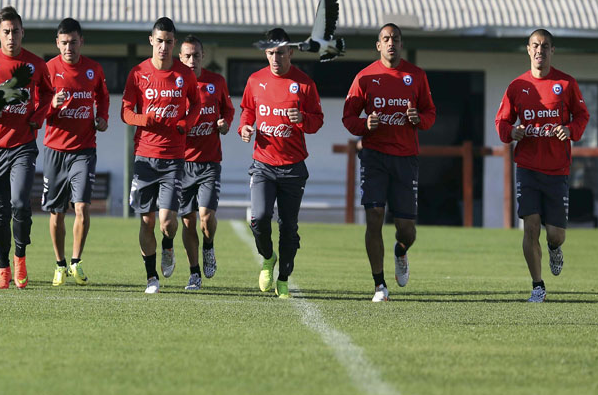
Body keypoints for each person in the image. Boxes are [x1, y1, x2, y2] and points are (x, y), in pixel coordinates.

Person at [342, 23, 436, 302]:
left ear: (401, 44)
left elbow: (430, 114)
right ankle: (379, 285)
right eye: (386, 39)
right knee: (374, 218)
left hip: (406, 160)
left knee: (407, 229)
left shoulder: (416, 76)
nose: (391, 42)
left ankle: (401, 250)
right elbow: (349, 118)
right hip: (374, 158)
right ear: (378, 45)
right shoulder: (365, 77)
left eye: (395, 38)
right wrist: (364, 124)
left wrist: (420, 118)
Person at [495, 29, 589, 303]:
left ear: (552, 50)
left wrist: (570, 130)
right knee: (531, 226)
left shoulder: (566, 84)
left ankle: (554, 247)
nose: (539, 50)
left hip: (557, 169)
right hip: (527, 168)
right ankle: (537, 286)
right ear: (528, 50)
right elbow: (501, 122)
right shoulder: (517, 86)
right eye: (535, 45)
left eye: (545, 46)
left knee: (556, 234)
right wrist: (512, 132)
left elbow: (582, 115)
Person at [0, 6, 53, 289]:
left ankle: (20, 259)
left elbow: (48, 93)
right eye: (6, 32)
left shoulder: (35, 65)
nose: (11, 37)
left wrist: (37, 118)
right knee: (1, 211)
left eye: (16, 31)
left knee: (20, 203)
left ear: (22, 32)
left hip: (22, 146)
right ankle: (3, 267)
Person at [238, 28, 323, 299]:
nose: (276, 58)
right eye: (271, 53)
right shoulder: (255, 80)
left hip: (293, 166)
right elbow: (248, 111)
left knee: (288, 227)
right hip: (263, 163)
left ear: (291, 52)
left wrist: (303, 120)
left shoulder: (305, 83)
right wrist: (244, 128)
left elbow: (317, 120)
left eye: (281, 53)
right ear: (266, 53)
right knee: (259, 218)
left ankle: (284, 278)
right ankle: (267, 256)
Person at [121, 17, 200, 294]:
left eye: (168, 42)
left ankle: (168, 246)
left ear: (174, 43)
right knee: (147, 220)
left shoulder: (184, 75)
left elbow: (196, 105)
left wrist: (185, 125)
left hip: (173, 159)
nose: (163, 47)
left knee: (167, 221)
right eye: (159, 41)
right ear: (151, 41)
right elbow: (126, 112)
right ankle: (151, 277)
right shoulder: (138, 73)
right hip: (144, 157)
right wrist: (145, 120)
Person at [42, 18, 109, 287]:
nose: (69, 47)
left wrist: (102, 118)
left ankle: (76, 262)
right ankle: (59, 265)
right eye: (64, 42)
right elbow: (36, 108)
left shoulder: (93, 69)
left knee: (81, 206)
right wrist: (51, 105)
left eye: (73, 42)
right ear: (57, 43)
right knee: (57, 212)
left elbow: (103, 97)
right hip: (55, 150)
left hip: (84, 149)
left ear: (81, 41)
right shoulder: (47, 70)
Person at [177, 35, 235, 291]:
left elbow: (228, 110)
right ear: (180, 58)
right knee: (188, 221)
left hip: (209, 161)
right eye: (187, 56)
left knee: (205, 216)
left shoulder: (216, 82)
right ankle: (194, 273)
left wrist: (225, 124)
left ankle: (209, 247)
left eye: (196, 55)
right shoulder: (174, 84)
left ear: (203, 57)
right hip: (180, 164)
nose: (191, 60)